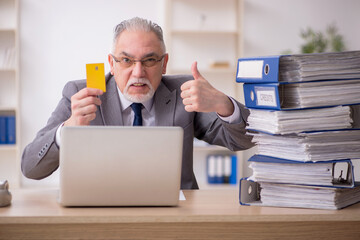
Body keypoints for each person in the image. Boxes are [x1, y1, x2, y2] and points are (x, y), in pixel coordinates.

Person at [21, 17, 254, 189]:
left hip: (177, 218)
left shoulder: (182, 93)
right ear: (111, 64)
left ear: (164, 64)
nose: (138, 72)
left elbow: (245, 140)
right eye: (126, 60)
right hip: (101, 216)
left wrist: (224, 104)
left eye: (150, 60)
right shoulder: (80, 94)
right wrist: (68, 129)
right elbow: (31, 168)